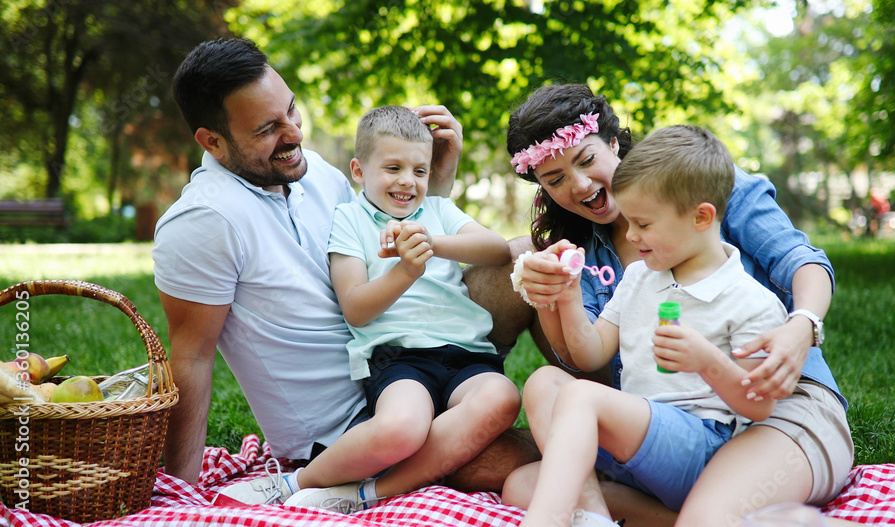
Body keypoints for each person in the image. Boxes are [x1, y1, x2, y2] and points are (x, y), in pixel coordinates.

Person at [153, 38, 535, 493]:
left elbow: (394, 231)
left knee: (533, 253)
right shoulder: (203, 221)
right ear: (212, 141)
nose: (293, 134)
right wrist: (178, 491)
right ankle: (340, 488)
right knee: (548, 458)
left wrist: (435, 179)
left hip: (432, 352)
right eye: (267, 128)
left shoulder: (314, 173)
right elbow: (191, 357)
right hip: (352, 420)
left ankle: (617, 398)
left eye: (291, 111)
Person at [492, 84, 856, 527]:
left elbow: (800, 260)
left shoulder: (699, 182)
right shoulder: (599, 256)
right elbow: (583, 359)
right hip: (666, 422)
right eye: (555, 180)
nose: (580, 184)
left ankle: (695, 512)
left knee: (704, 514)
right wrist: (554, 293)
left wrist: (803, 323)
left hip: (775, 408)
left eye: (586, 161)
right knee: (522, 482)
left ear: (611, 142)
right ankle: (604, 517)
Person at [216, 105, 520, 510]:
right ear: (359, 172)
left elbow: (498, 250)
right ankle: (295, 483)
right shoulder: (351, 220)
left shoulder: (438, 212)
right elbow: (356, 308)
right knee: (401, 427)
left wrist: (431, 241)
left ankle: (367, 493)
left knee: (503, 397)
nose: (407, 182)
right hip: (401, 359)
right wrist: (405, 271)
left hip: (468, 356)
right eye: (392, 168)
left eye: (420, 171)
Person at [515, 125, 789, 527]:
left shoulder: (750, 301)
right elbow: (590, 353)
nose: (630, 235)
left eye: (643, 224)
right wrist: (568, 296)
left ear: (701, 217)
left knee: (580, 404)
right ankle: (608, 518)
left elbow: (759, 406)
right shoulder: (640, 277)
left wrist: (706, 361)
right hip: (639, 447)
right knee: (525, 464)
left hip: (703, 448)